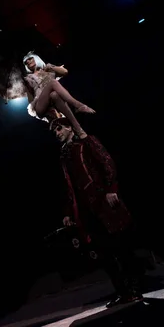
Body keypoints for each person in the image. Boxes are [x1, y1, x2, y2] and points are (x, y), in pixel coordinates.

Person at [50, 117, 144, 308]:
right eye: (55, 132)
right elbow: (69, 187)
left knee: (121, 248)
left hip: (103, 202)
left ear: (69, 127)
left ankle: (133, 289)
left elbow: (107, 162)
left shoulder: (86, 142)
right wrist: (68, 212)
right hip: (86, 211)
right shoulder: (64, 154)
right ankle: (122, 291)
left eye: (59, 129)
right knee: (104, 253)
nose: (57, 133)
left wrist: (112, 189)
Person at [23, 52, 94, 139]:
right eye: (26, 62)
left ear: (36, 58)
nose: (28, 62)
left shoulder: (48, 69)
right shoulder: (28, 78)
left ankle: (79, 130)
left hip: (55, 100)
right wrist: (38, 94)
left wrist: (51, 67)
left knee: (54, 94)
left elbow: (65, 72)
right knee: (53, 82)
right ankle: (78, 105)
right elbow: (30, 100)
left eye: (30, 59)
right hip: (41, 105)